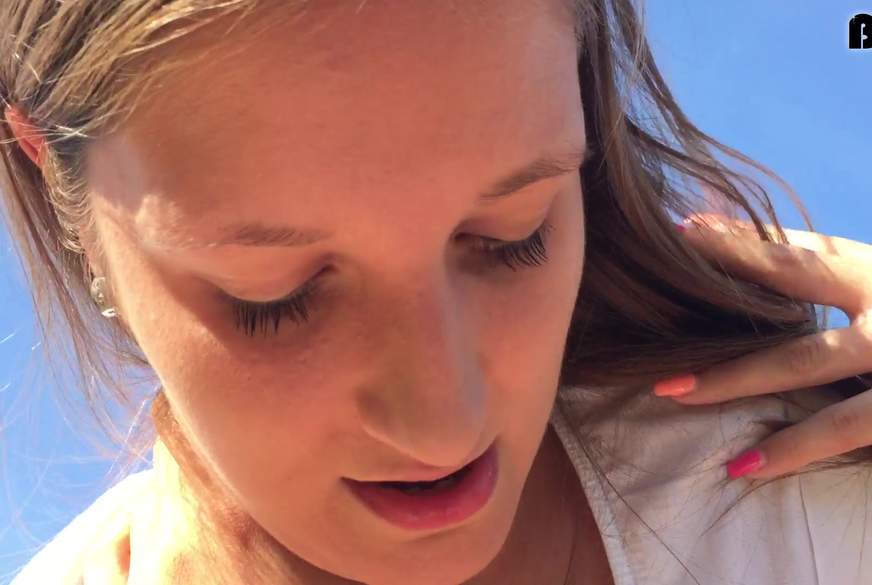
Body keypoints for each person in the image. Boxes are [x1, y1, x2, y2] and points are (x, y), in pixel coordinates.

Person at [1, 1, 871, 584]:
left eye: (513, 234)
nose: (444, 426)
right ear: (60, 192)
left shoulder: (809, 508)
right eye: (276, 295)